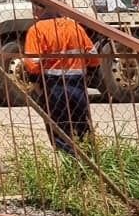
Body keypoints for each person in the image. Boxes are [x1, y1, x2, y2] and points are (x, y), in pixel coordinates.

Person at [21, 11, 99, 153]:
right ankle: (88, 160)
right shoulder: (74, 26)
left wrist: (34, 80)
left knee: (58, 126)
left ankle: (67, 160)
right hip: (78, 83)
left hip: (52, 85)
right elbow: (93, 56)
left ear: (37, 10)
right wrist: (88, 71)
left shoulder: (37, 29)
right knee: (81, 123)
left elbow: (33, 64)